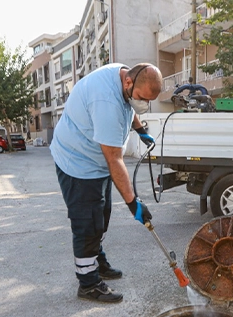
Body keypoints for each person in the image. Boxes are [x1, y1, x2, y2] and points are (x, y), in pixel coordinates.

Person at [51, 63, 162, 303]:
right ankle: (88, 283)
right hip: (77, 163)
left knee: (102, 215)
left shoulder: (124, 77)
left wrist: (140, 129)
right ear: (128, 83)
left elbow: (130, 108)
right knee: (87, 223)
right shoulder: (105, 102)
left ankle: (97, 261)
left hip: (96, 162)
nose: (143, 104)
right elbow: (114, 159)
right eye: (142, 98)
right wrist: (134, 203)